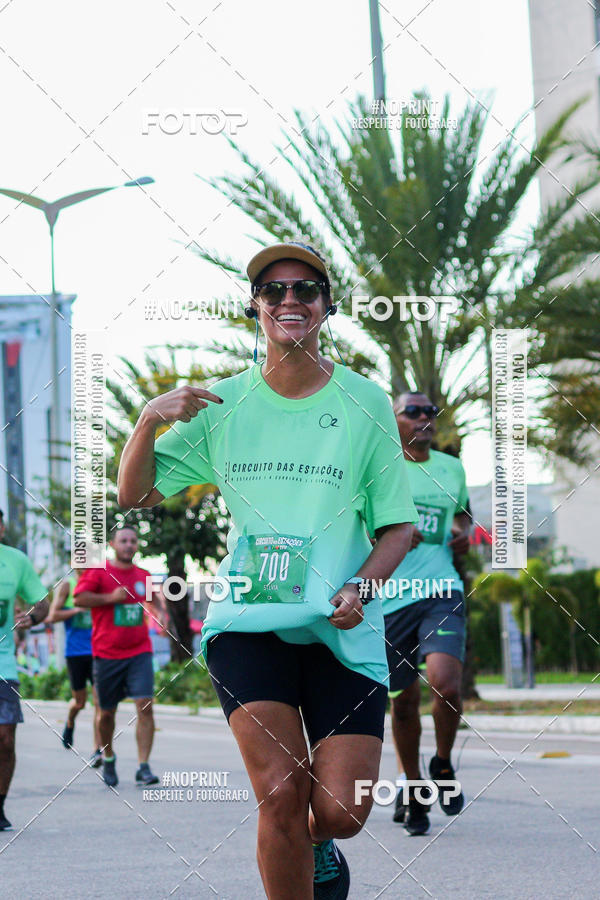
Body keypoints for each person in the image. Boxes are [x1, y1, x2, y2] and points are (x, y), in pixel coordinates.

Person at [118, 241, 418, 900]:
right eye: (274, 290)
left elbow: (401, 524)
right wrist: (147, 419)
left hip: (342, 629)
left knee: (343, 811)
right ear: (254, 306)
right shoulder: (223, 404)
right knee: (281, 794)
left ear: (326, 307)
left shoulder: (366, 402)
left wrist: (362, 586)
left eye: (305, 289)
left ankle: (320, 849)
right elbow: (135, 494)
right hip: (249, 623)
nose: (290, 300)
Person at [382, 391, 471, 836]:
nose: (424, 418)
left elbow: (462, 519)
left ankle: (442, 763)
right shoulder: (379, 466)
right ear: (394, 419)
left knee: (445, 684)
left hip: (441, 589)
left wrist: (462, 534)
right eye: (412, 411)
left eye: (430, 411)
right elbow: (355, 522)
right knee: (403, 705)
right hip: (391, 597)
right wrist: (392, 533)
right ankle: (414, 788)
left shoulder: (451, 468)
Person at [73, 526, 165, 788]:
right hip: (107, 653)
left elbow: (152, 600)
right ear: (113, 543)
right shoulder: (98, 571)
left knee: (145, 706)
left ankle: (143, 767)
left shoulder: (143, 574)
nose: (128, 545)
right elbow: (79, 598)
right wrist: (110, 597)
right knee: (106, 713)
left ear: (137, 545)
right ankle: (109, 756)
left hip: (139, 650)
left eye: (133, 541)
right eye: (123, 540)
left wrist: (161, 616)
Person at [0, 543, 49, 830]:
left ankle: (0, 805)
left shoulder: (15, 560)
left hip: (4, 664)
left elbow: (41, 602)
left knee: (5, 739)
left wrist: (32, 617)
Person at [47, 569, 102, 765]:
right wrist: (76, 610)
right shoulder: (67, 585)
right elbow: (52, 616)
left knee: (100, 703)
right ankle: (70, 723)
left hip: (99, 651)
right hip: (75, 653)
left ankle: (97, 750)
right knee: (80, 702)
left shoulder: (99, 583)